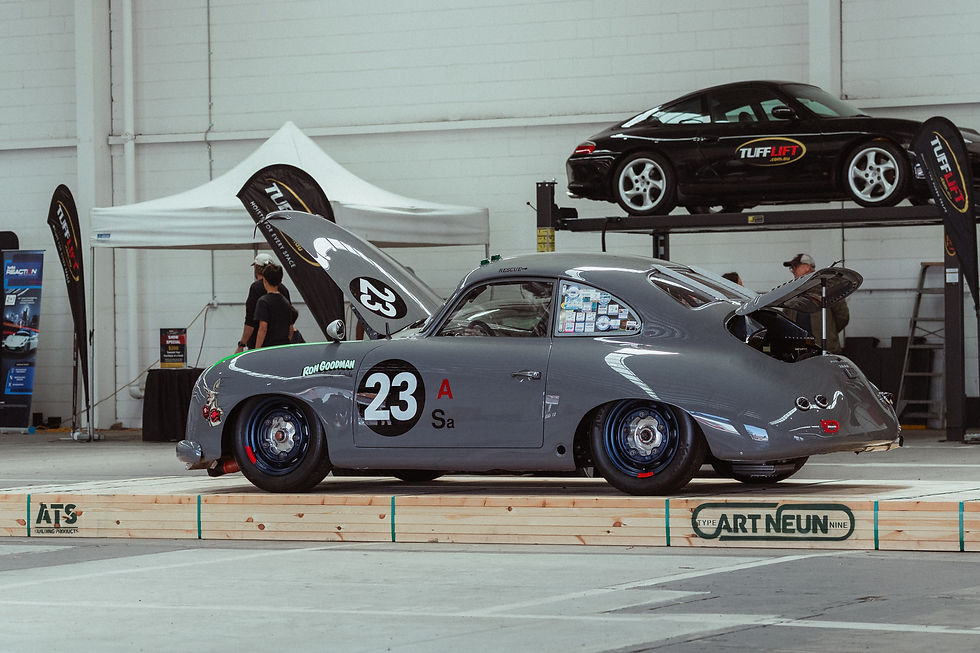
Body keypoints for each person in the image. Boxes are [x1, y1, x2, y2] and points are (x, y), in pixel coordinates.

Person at [782, 252, 850, 354]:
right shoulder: (792, 291)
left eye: (795, 267)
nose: (792, 271)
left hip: (824, 350)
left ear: (806, 267)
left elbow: (842, 316)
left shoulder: (827, 288)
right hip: (798, 351)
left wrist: (829, 333)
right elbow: (786, 318)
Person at [236, 253, 291, 352]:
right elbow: (290, 321)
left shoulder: (256, 289)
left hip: (261, 345)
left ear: (256, 269)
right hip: (281, 345)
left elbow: (252, 322)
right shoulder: (283, 290)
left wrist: (242, 344)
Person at [253, 264, 293, 348]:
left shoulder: (263, 302)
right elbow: (291, 328)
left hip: (268, 348)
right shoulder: (286, 302)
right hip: (283, 346)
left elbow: (263, 327)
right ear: (280, 281)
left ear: (264, 280)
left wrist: (257, 349)